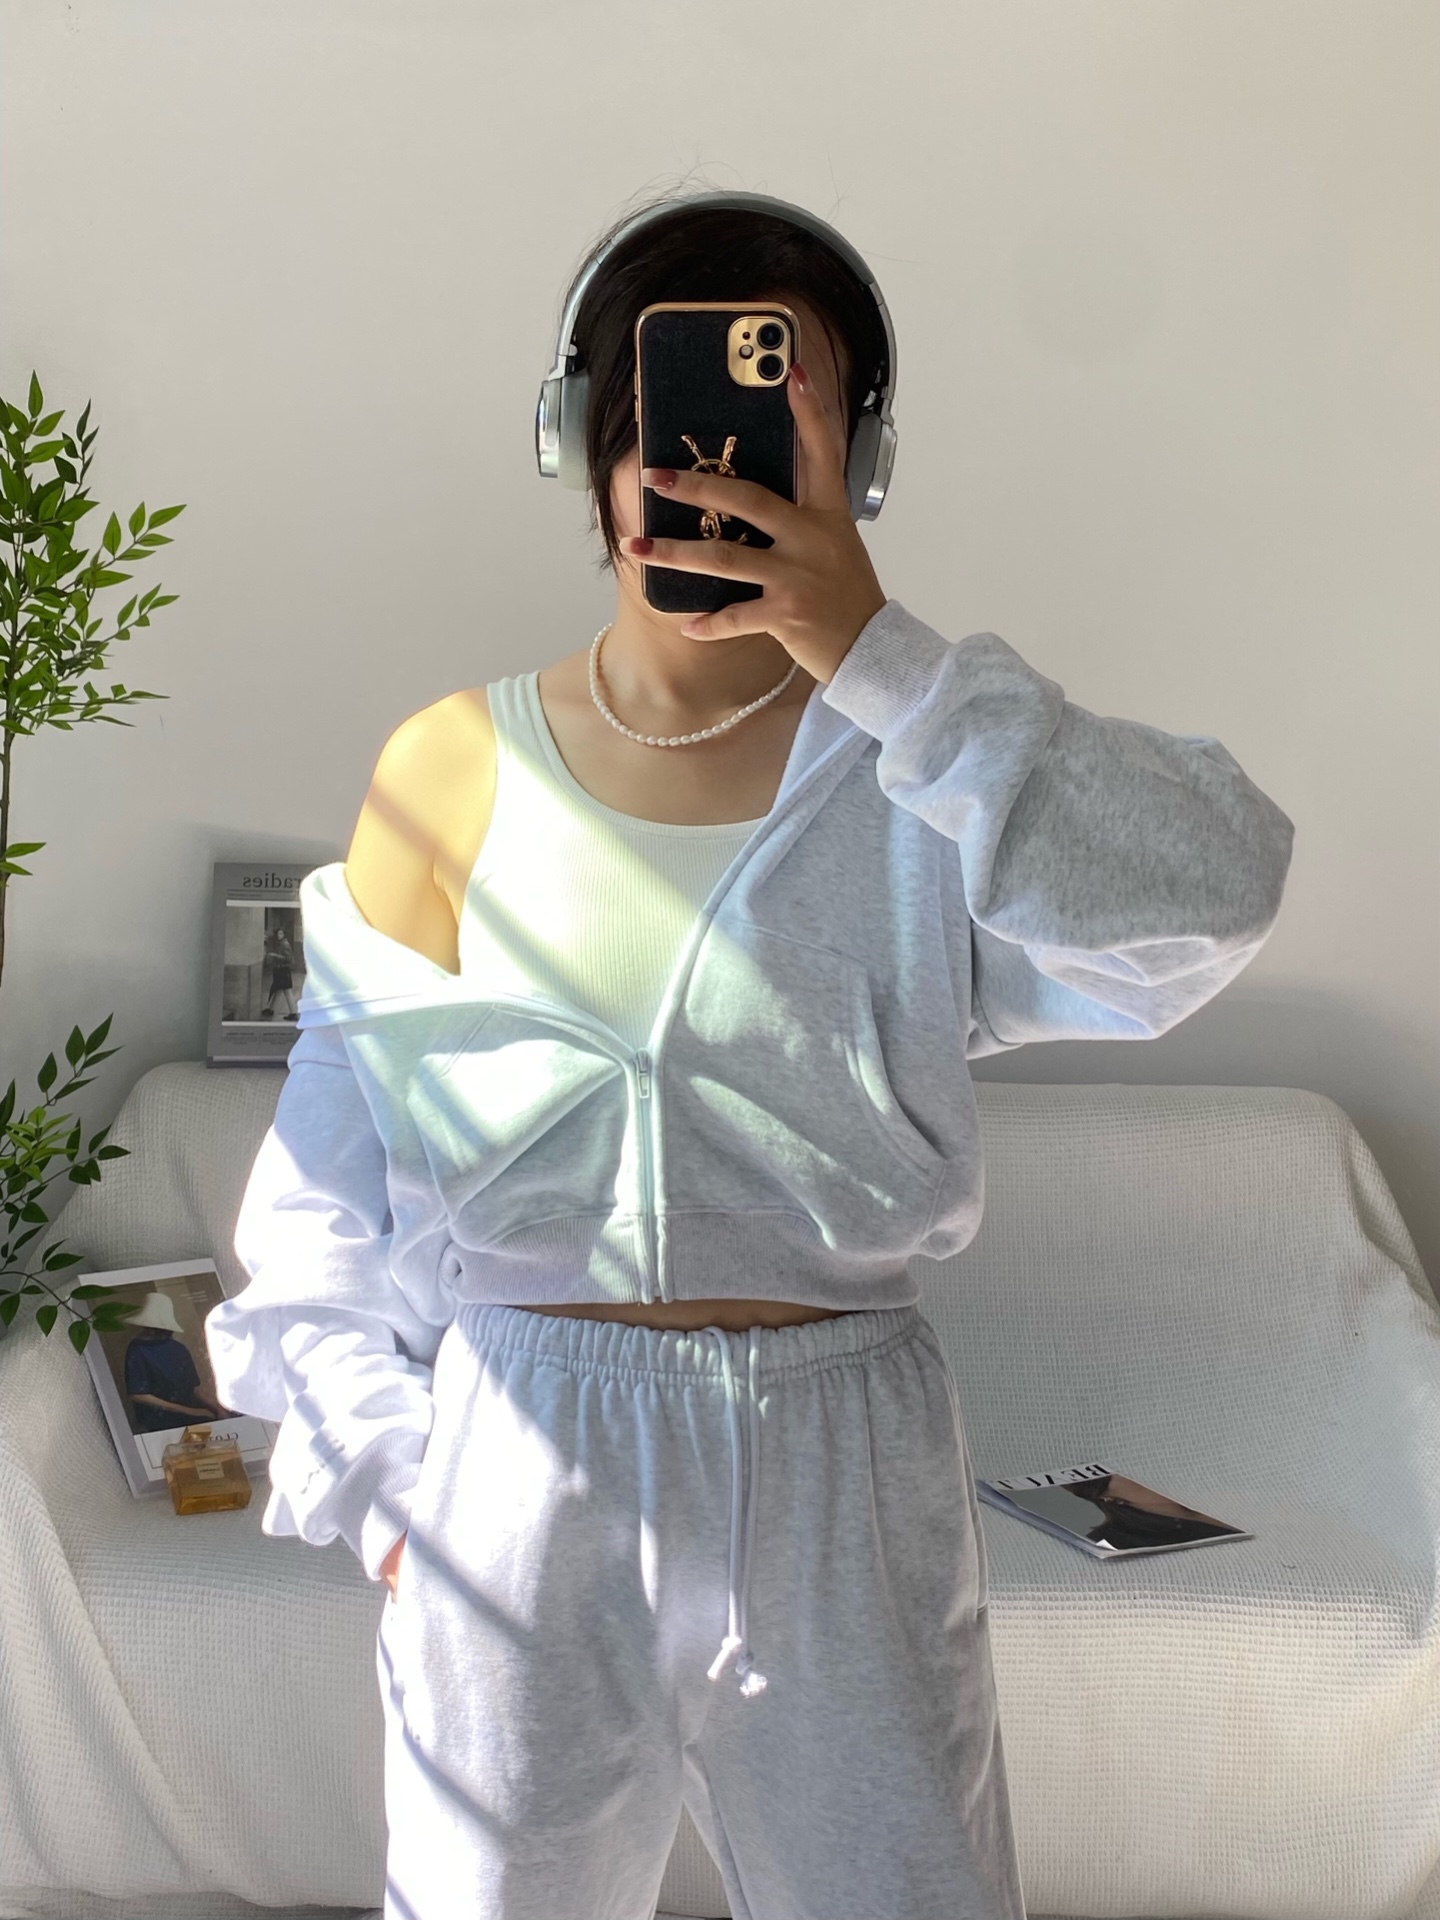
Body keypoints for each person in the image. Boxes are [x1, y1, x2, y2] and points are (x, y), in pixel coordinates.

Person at [206, 190, 1295, 1920]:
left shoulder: (927, 772)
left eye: (778, 429)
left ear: (860, 468)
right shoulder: (449, 769)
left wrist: (888, 663)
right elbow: (321, 1206)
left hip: (846, 1473)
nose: (712, 473)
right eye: (669, 422)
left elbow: (1212, 897)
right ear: (582, 443)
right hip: (521, 1466)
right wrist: (399, 1498)